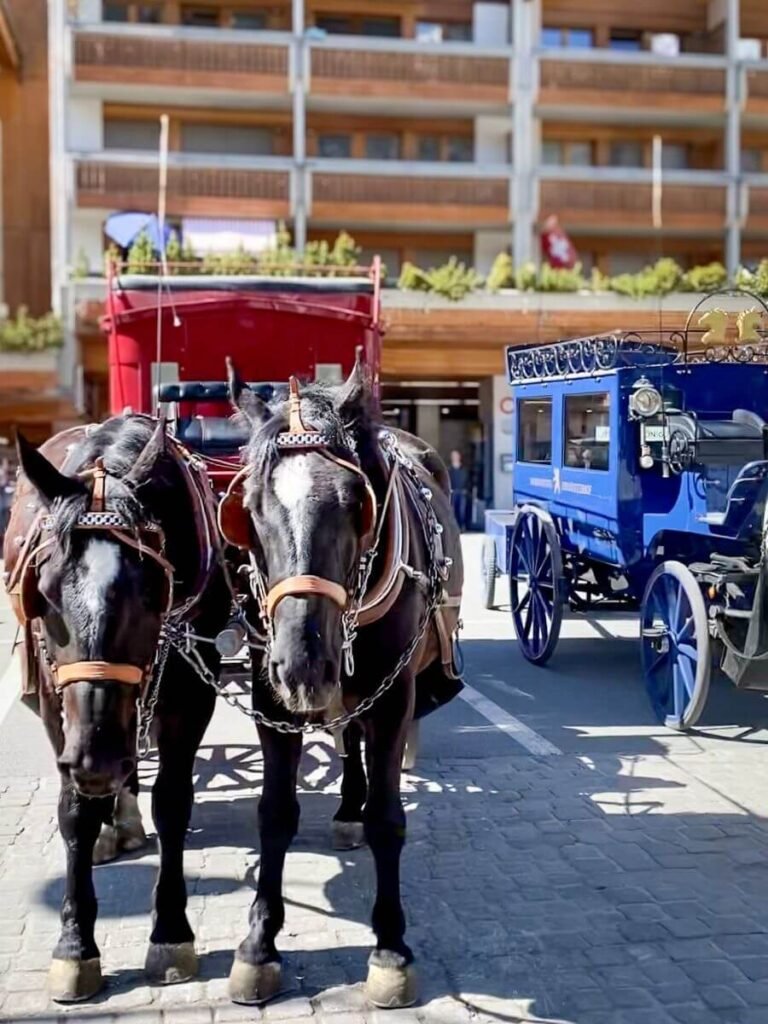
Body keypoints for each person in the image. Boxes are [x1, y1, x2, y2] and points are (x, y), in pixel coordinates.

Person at [448, 449, 470, 531]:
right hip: (453, 493)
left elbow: (468, 481)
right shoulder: (449, 470)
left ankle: (462, 526)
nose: (454, 457)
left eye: (456, 456)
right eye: (453, 456)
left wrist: (466, 489)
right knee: (453, 511)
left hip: (462, 493)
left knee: (462, 511)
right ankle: (455, 528)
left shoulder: (464, 470)